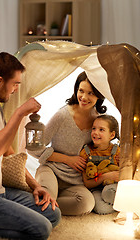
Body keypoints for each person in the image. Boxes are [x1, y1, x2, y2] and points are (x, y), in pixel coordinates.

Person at [0, 52, 61, 240]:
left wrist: (35, 185)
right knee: (41, 229)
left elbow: (8, 153)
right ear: (0, 81)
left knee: (52, 213)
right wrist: (20, 113)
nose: (16, 89)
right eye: (15, 83)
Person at [32, 71, 107, 216]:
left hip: (75, 181)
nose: (84, 97)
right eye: (81, 91)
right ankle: (46, 203)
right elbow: (35, 149)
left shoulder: (98, 122)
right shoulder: (62, 115)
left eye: (91, 93)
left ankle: (48, 205)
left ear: (99, 95)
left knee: (87, 203)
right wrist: (68, 159)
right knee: (47, 198)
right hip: (51, 171)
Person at [81, 114, 120, 215]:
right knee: (100, 209)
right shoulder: (86, 152)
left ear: (112, 135)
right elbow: (87, 183)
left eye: (101, 130)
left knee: (109, 193)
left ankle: (123, 203)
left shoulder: (117, 151)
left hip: (111, 187)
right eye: (94, 128)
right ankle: (122, 207)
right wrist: (106, 176)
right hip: (95, 189)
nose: (95, 132)